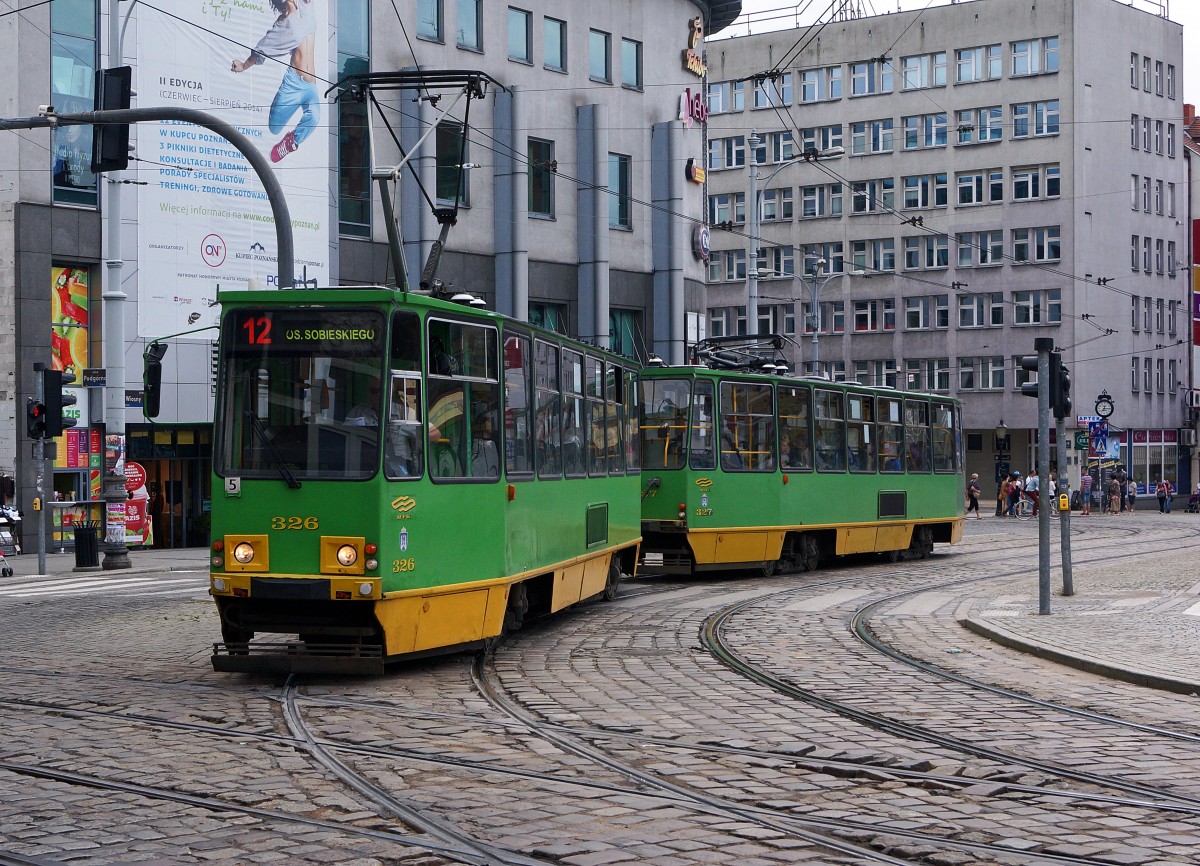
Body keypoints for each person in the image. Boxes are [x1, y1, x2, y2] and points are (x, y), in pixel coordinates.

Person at [231, 0, 319, 164]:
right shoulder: (282, 25)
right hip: (294, 83)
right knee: (274, 127)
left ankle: (291, 142)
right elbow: (262, 49)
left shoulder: (306, 5)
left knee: (314, 119)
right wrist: (243, 66)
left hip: (311, 86)